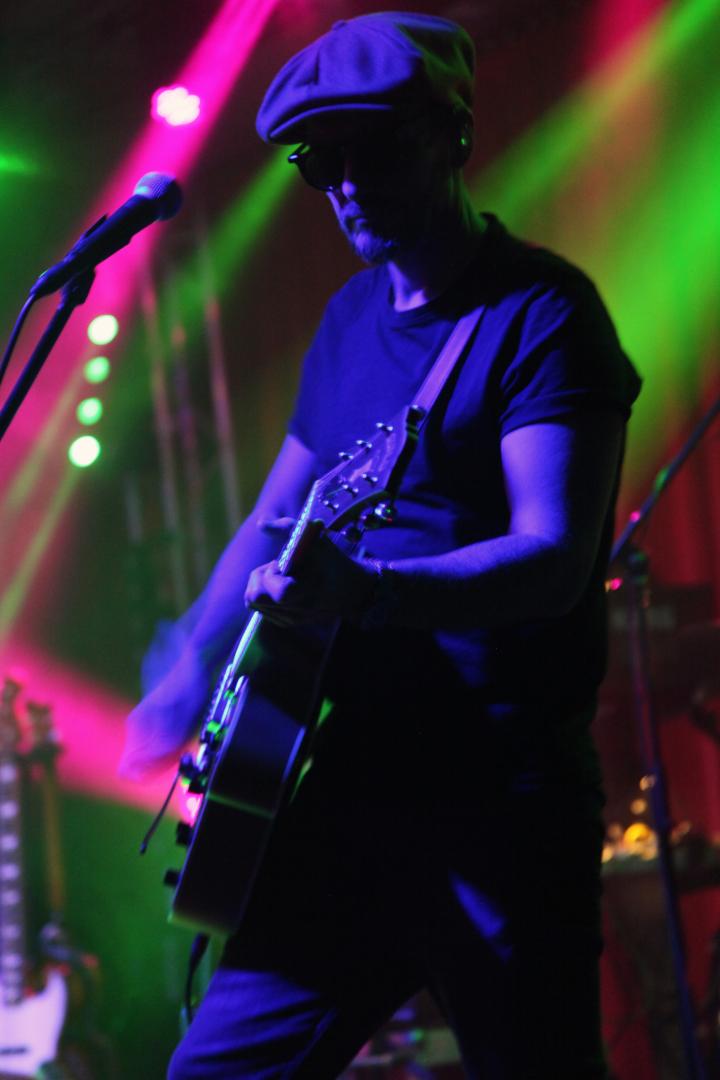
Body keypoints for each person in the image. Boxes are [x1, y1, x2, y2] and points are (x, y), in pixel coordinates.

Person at [121, 12, 641, 1079]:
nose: (348, 184)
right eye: (322, 164)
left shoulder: (543, 315)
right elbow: (271, 521)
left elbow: (552, 557)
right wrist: (191, 666)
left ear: (455, 133)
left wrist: (369, 590)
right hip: (350, 791)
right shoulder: (349, 320)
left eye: (375, 149)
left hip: (503, 799)